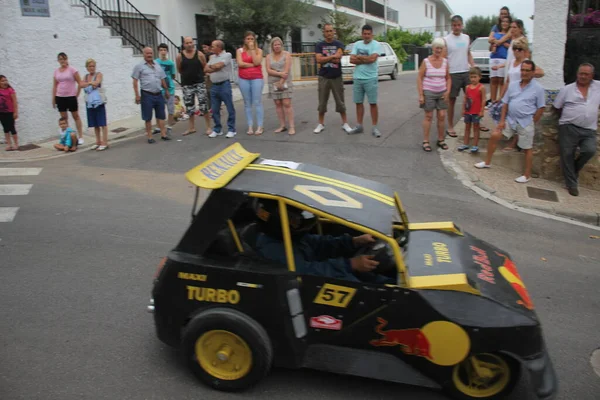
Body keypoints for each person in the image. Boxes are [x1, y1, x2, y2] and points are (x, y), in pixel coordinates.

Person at [253, 199, 394, 284]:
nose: (300, 222)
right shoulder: (271, 250)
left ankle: (392, 285)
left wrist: (353, 241)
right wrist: (350, 264)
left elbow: (319, 243)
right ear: (279, 222)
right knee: (359, 285)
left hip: (320, 274)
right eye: (295, 221)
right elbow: (306, 273)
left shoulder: (290, 237)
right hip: (306, 287)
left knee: (369, 276)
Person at [475, 60, 546, 183]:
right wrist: (502, 121)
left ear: (533, 72)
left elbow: (541, 107)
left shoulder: (538, 88)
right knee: (495, 135)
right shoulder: (513, 85)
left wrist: (532, 121)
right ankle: (487, 162)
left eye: (527, 70)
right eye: (522, 70)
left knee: (527, 148)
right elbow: (505, 104)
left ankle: (526, 174)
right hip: (510, 120)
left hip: (526, 121)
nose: (524, 73)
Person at [553, 63, 600, 197]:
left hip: (589, 129)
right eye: (581, 73)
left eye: (586, 74)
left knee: (589, 150)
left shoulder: (598, 87)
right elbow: (557, 107)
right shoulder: (567, 89)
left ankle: (573, 171)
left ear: (592, 76)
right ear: (577, 74)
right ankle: (571, 184)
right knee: (567, 154)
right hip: (568, 126)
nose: (583, 76)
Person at [498, 38, 544, 152]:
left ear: (523, 50)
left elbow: (541, 72)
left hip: (523, 94)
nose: (516, 51)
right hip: (512, 94)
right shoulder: (512, 63)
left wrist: (529, 75)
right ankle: (512, 140)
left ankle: (515, 143)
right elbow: (508, 80)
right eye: (514, 48)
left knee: (520, 121)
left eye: (519, 49)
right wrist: (501, 95)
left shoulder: (526, 63)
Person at [313, 23, 353, 134]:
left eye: (331, 31)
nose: (329, 33)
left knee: (340, 101)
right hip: (323, 77)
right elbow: (319, 60)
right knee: (322, 102)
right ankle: (320, 124)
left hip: (337, 77)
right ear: (324, 33)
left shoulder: (339, 44)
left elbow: (338, 58)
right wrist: (331, 57)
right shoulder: (319, 45)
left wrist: (325, 57)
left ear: (334, 32)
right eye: (327, 31)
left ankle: (345, 123)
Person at [443, 16, 476, 138]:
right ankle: (450, 126)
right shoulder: (446, 39)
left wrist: (473, 65)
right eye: (454, 25)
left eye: (459, 25)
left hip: (466, 71)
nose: (457, 27)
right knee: (452, 101)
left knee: (471, 98)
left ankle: (474, 123)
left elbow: (468, 53)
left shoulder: (466, 38)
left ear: (462, 25)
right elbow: (444, 58)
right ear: (451, 26)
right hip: (453, 73)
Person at [417, 38, 451, 152]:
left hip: (442, 91)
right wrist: (421, 95)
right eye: (437, 47)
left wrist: (447, 91)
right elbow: (420, 78)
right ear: (433, 48)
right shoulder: (426, 61)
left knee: (441, 115)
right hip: (429, 91)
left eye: (441, 48)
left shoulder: (445, 62)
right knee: (428, 116)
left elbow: (448, 78)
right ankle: (426, 141)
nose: (439, 50)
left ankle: (440, 140)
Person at [131, 47, 171, 144]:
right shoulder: (139, 66)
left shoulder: (157, 65)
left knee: (161, 115)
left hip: (158, 93)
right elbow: (135, 81)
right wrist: (137, 95)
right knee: (147, 117)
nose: (149, 55)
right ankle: (149, 136)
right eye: (147, 53)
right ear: (143, 54)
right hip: (147, 94)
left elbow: (162, 78)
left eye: (151, 53)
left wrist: (166, 90)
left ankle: (163, 134)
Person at [349, 25, 383, 137]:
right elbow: (351, 60)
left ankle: (375, 127)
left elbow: (373, 59)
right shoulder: (357, 44)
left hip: (371, 78)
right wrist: (366, 59)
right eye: (365, 33)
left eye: (369, 34)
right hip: (358, 78)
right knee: (358, 103)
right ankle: (359, 126)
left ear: (372, 34)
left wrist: (359, 57)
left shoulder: (376, 45)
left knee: (372, 103)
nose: (367, 36)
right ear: (362, 34)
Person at [177, 37, 212, 136]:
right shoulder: (180, 56)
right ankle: (191, 127)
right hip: (187, 84)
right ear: (184, 44)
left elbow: (204, 66)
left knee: (203, 105)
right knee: (189, 106)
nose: (189, 44)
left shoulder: (200, 54)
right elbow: (179, 69)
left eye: (190, 42)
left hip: (199, 83)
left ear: (193, 43)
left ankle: (208, 127)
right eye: (187, 43)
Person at [204, 40, 237, 138]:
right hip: (214, 86)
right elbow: (205, 69)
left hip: (224, 85)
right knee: (214, 109)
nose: (211, 48)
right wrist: (214, 67)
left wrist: (214, 67)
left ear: (219, 47)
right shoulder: (212, 57)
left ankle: (231, 129)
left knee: (229, 107)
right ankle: (217, 129)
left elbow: (220, 65)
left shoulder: (227, 55)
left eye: (213, 46)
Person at [237, 31, 265, 135]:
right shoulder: (239, 51)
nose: (249, 41)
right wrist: (252, 65)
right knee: (247, 103)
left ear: (254, 40)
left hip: (256, 78)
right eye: (248, 39)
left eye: (251, 39)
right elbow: (240, 63)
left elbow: (257, 62)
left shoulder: (259, 51)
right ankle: (250, 126)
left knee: (257, 101)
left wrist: (252, 50)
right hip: (243, 78)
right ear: (244, 40)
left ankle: (260, 126)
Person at [53, 52, 84, 144]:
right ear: (58, 61)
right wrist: (53, 98)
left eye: (64, 59)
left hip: (71, 97)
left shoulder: (72, 70)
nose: (62, 61)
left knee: (76, 116)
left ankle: (80, 136)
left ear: (67, 59)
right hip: (60, 97)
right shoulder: (56, 71)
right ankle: (68, 137)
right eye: (60, 59)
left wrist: (77, 94)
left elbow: (80, 83)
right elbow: (55, 85)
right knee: (64, 118)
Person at [266, 37, 295, 135]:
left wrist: (281, 82)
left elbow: (286, 70)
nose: (277, 46)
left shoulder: (287, 54)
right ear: (272, 46)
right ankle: (282, 126)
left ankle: (291, 126)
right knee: (278, 103)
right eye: (275, 45)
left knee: (287, 103)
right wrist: (279, 74)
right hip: (273, 81)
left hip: (285, 81)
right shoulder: (268, 56)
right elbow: (268, 70)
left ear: (281, 45)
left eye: (279, 44)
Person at [80, 59, 108, 151]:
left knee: (102, 123)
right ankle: (98, 141)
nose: (92, 68)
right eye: (90, 66)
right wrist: (90, 83)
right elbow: (81, 84)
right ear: (87, 67)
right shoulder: (86, 76)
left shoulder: (99, 74)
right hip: (90, 103)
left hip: (98, 101)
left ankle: (105, 142)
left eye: (93, 66)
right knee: (95, 123)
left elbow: (97, 82)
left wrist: (89, 84)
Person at [458, 67, 486, 153]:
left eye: (475, 77)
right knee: (467, 127)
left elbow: (484, 99)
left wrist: (481, 111)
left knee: (476, 128)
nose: (473, 79)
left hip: (476, 112)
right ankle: (465, 143)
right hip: (468, 111)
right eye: (471, 77)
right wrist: (463, 109)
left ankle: (475, 145)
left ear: (479, 77)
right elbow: (465, 99)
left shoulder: (481, 88)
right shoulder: (467, 87)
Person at [489, 16, 512, 106]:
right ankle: (493, 101)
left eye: (506, 22)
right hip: (494, 57)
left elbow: (510, 46)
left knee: (501, 81)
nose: (504, 23)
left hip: (503, 58)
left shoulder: (509, 35)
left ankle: (500, 101)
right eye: (503, 22)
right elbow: (491, 46)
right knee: (493, 80)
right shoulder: (496, 33)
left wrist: (500, 43)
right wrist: (493, 46)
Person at [155, 43, 177, 136]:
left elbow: (173, 75)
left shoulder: (171, 63)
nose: (163, 52)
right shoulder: (156, 62)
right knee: (159, 109)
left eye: (164, 50)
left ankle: (169, 126)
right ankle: (158, 127)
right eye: (161, 50)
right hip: (159, 89)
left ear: (167, 51)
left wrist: (168, 83)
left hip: (169, 88)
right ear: (158, 51)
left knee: (170, 108)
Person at [0, 75, 19, 151]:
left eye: (5, 80)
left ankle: (16, 144)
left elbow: (15, 102)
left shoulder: (10, 90)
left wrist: (15, 112)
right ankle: (9, 144)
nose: (5, 82)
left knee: (12, 128)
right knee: (5, 129)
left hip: (10, 112)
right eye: (2, 81)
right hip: (1, 112)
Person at [201, 39, 214, 111]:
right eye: (203, 47)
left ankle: (212, 108)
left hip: (209, 76)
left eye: (205, 47)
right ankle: (210, 107)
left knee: (210, 92)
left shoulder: (210, 55)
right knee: (208, 92)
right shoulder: (205, 55)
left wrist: (208, 73)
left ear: (209, 47)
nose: (204, 49)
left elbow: (210, 65)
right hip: (206, 75)